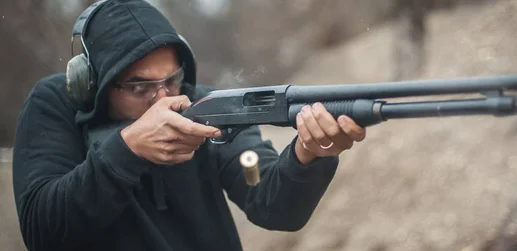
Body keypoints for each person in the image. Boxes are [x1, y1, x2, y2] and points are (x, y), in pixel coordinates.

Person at [11, 0, 367, 250]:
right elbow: (43, 231)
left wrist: (306, 156)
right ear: (94, 85)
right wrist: (127, 150)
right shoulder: (56, 105)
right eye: (139, 87)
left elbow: (266, 197)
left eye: (172, 80)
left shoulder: (206, 108)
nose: (164, 99)